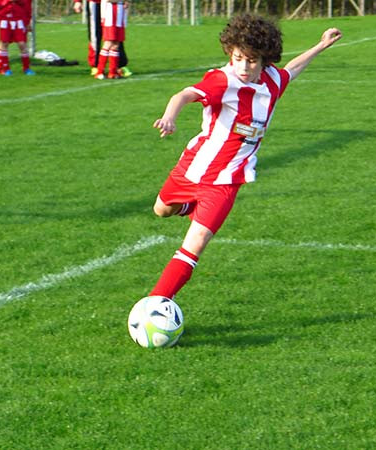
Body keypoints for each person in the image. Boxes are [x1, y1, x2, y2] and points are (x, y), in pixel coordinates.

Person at [148, 14, 342, 300]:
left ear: (264, 59)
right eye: (237, 57)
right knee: (161, 210)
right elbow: (184, 95)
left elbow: (292, 68)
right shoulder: (221, 80)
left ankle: (157, 302)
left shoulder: (273, 80)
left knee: (196, 241)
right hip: (193, 167)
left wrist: (321, 45)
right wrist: (169, 117)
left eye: (251, 60)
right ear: (230, 53)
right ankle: (191, 206)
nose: (242, 66)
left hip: (227, 179)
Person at [72, 0, 131, 77]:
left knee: (116, 38)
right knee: (96, 34)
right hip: (98, 3)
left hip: (116, 5)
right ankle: (97, 67)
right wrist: (77, 1)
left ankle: (118, 66)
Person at [0, 0, 35, 75]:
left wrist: (27, 21)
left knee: (22, 44)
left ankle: (26, 68)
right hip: (5, 20)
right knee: (4, 43)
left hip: (18, 20)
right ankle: (5, 68)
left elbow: (26, 5)